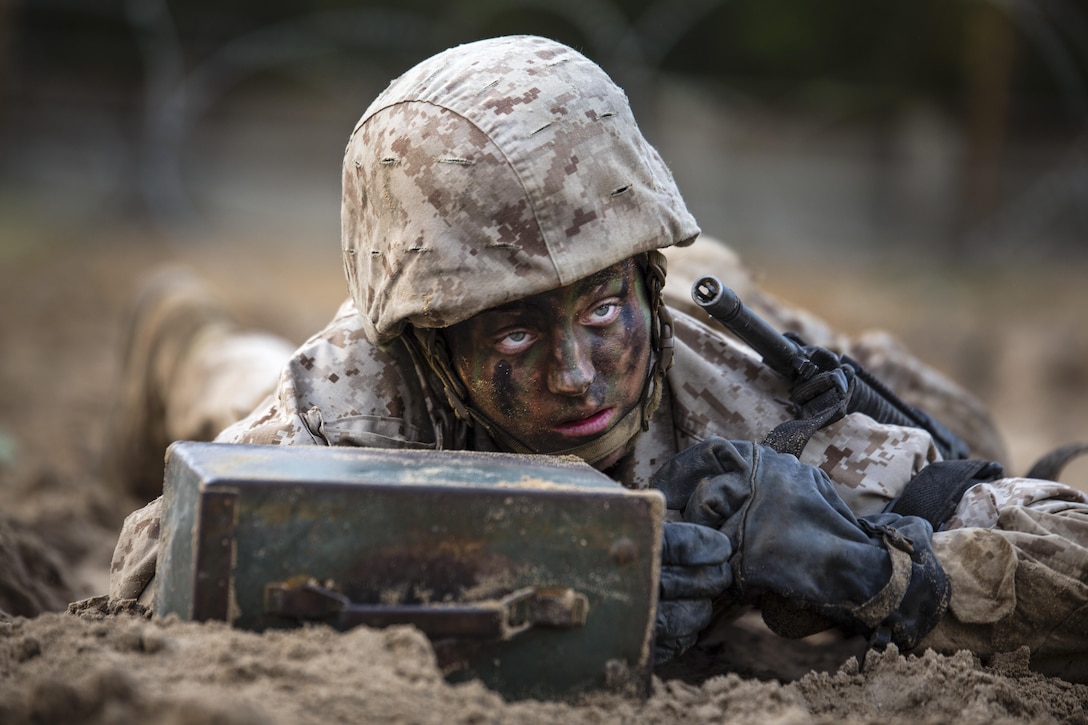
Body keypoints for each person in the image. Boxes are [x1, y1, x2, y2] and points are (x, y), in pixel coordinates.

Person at [107, 35, 1088, 678]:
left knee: (962, 431)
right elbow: (148, 585)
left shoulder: (749, 409)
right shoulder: (356, 394)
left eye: (603, 309)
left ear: (645, 283)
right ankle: (186, 346)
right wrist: (517, 566)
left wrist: (873, 571)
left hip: (735, 300)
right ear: (427, 340)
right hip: (343, 379)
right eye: (517, 331)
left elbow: (1070, 555)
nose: (575, 375)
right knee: (235, 385)